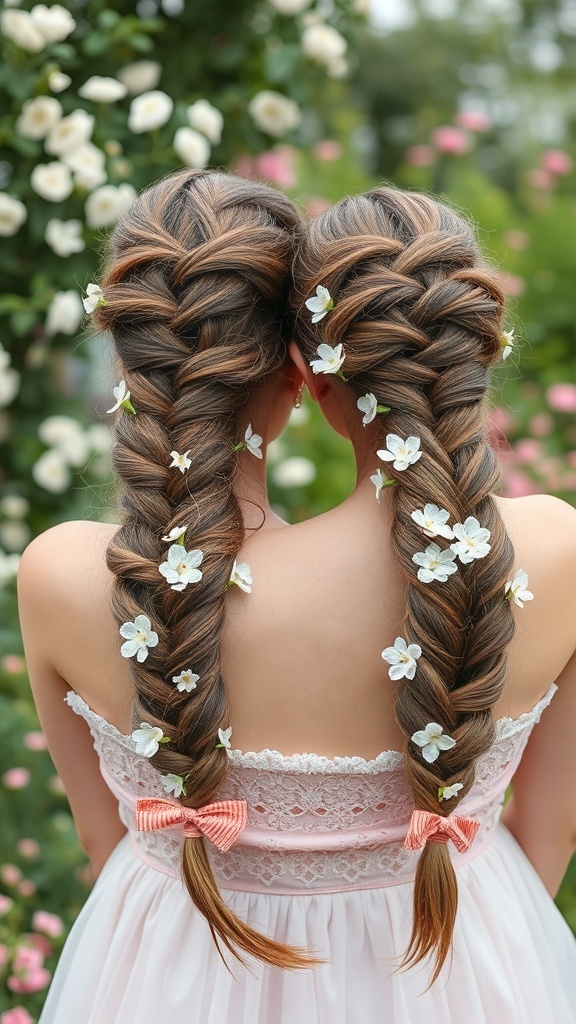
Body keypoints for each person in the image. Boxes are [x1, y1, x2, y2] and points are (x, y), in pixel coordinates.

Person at [17, 174, 576, 1023]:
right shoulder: (555, 552)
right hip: (457, 964)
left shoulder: (65, 580)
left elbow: (112, 850)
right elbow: (545, 840)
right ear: (298, 373)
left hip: (175, 980)